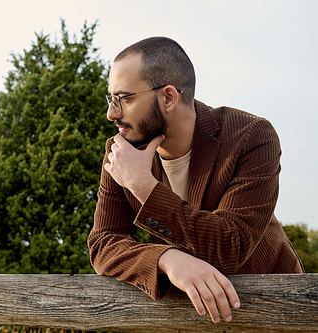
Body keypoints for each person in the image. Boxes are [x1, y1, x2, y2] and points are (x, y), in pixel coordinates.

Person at [87, 36, 304, 324]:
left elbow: (231, 245)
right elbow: (104, 243)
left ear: (168, 97)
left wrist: (142, 185)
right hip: (188, 318)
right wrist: (167, 260)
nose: (111, 113)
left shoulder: (251, 136)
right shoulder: (120, 152)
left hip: (277, 314)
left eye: (124, 99)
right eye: (111, 99)